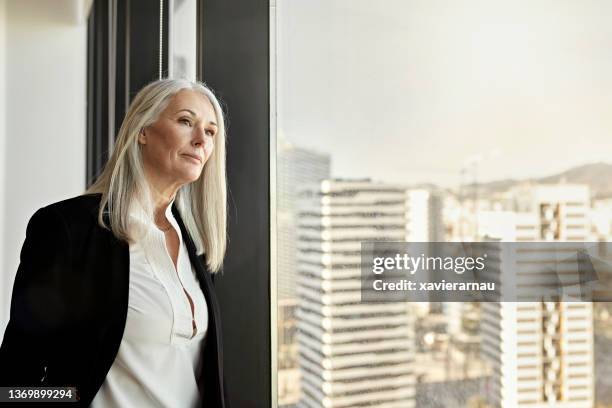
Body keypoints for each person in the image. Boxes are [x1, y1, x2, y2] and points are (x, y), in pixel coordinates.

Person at [0, 78, 229, 407]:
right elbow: (16, 379)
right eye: (185, 121)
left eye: (210, 132)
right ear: (143, 131)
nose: (200, 141)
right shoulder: (68, 229)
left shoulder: (194, 245)